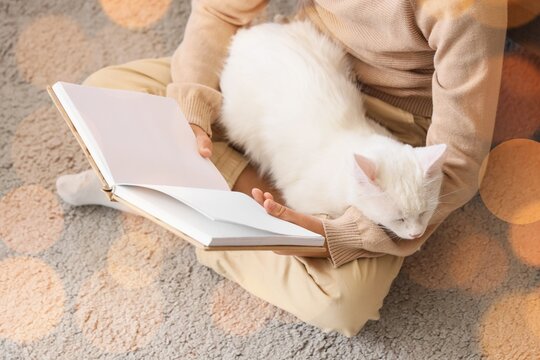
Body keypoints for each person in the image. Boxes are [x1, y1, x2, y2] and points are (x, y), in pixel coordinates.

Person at [56, 0, 506, 336]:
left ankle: (163, 196)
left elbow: (460, 161)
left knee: (343, 306)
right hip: (292, 70)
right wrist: (192, 106)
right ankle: (217, 210)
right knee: (104, 91)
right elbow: (220, 12)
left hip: (389, 139)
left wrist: (344, 235)